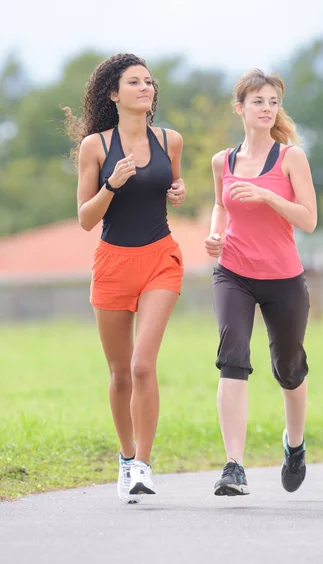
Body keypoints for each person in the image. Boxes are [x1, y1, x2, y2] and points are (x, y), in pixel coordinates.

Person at [64, 53, 185, 504]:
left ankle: (144, 467)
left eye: (150, 82)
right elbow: (84, 219)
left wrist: (178, 190)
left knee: (142, 365)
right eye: (134, 82)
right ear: (114, 94)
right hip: (113, 263)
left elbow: (171, 186)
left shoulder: (170, 139)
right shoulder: (96, 147)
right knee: (119, 374)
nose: (145, 88)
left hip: (160, 258)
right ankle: (126, 456)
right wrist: (110, 185)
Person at [205, 69, 317, 496]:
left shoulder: (291, 158)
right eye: (258, 102)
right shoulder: (223, 161)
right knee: (232, 357)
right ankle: (234, 465)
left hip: (283, 277)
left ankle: (294, 445)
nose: (267, 109)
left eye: (273, 102)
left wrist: (269, 196)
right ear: (240, 108)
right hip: (233, 271)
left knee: (289, 368)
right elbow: (220, 205)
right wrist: (216, 236)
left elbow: (308, 219)